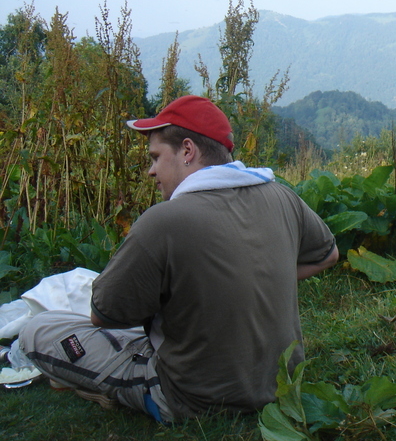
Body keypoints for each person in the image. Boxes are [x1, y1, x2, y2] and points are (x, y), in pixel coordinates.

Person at [18, 95, 338, 422]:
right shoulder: (282, 196)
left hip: (195, 398)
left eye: (156, 157)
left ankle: (129, 394)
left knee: (38, 330)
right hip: (282, 385)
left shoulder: (163, 221)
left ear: (187, 151)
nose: (151, 171)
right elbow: (328, 255)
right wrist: (258, 276)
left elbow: (104, 314)